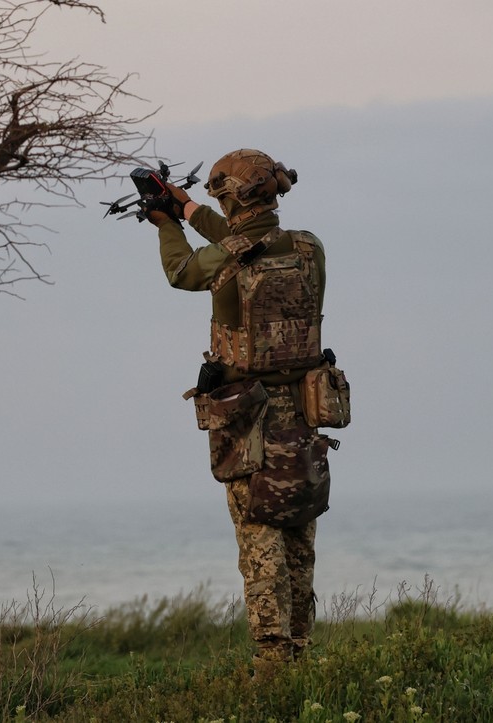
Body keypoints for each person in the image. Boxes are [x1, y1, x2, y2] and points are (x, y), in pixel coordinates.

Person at [144, 148, 337, 677]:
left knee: (259, 539)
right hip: (304, 412)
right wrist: (184, 207)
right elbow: (246, 236)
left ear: (231, 197)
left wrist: (165, 224)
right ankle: (299, 652)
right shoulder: (309, 247)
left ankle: (272, 666)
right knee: (298, 531)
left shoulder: (229, 257)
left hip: (247, 417)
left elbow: (183, 272)